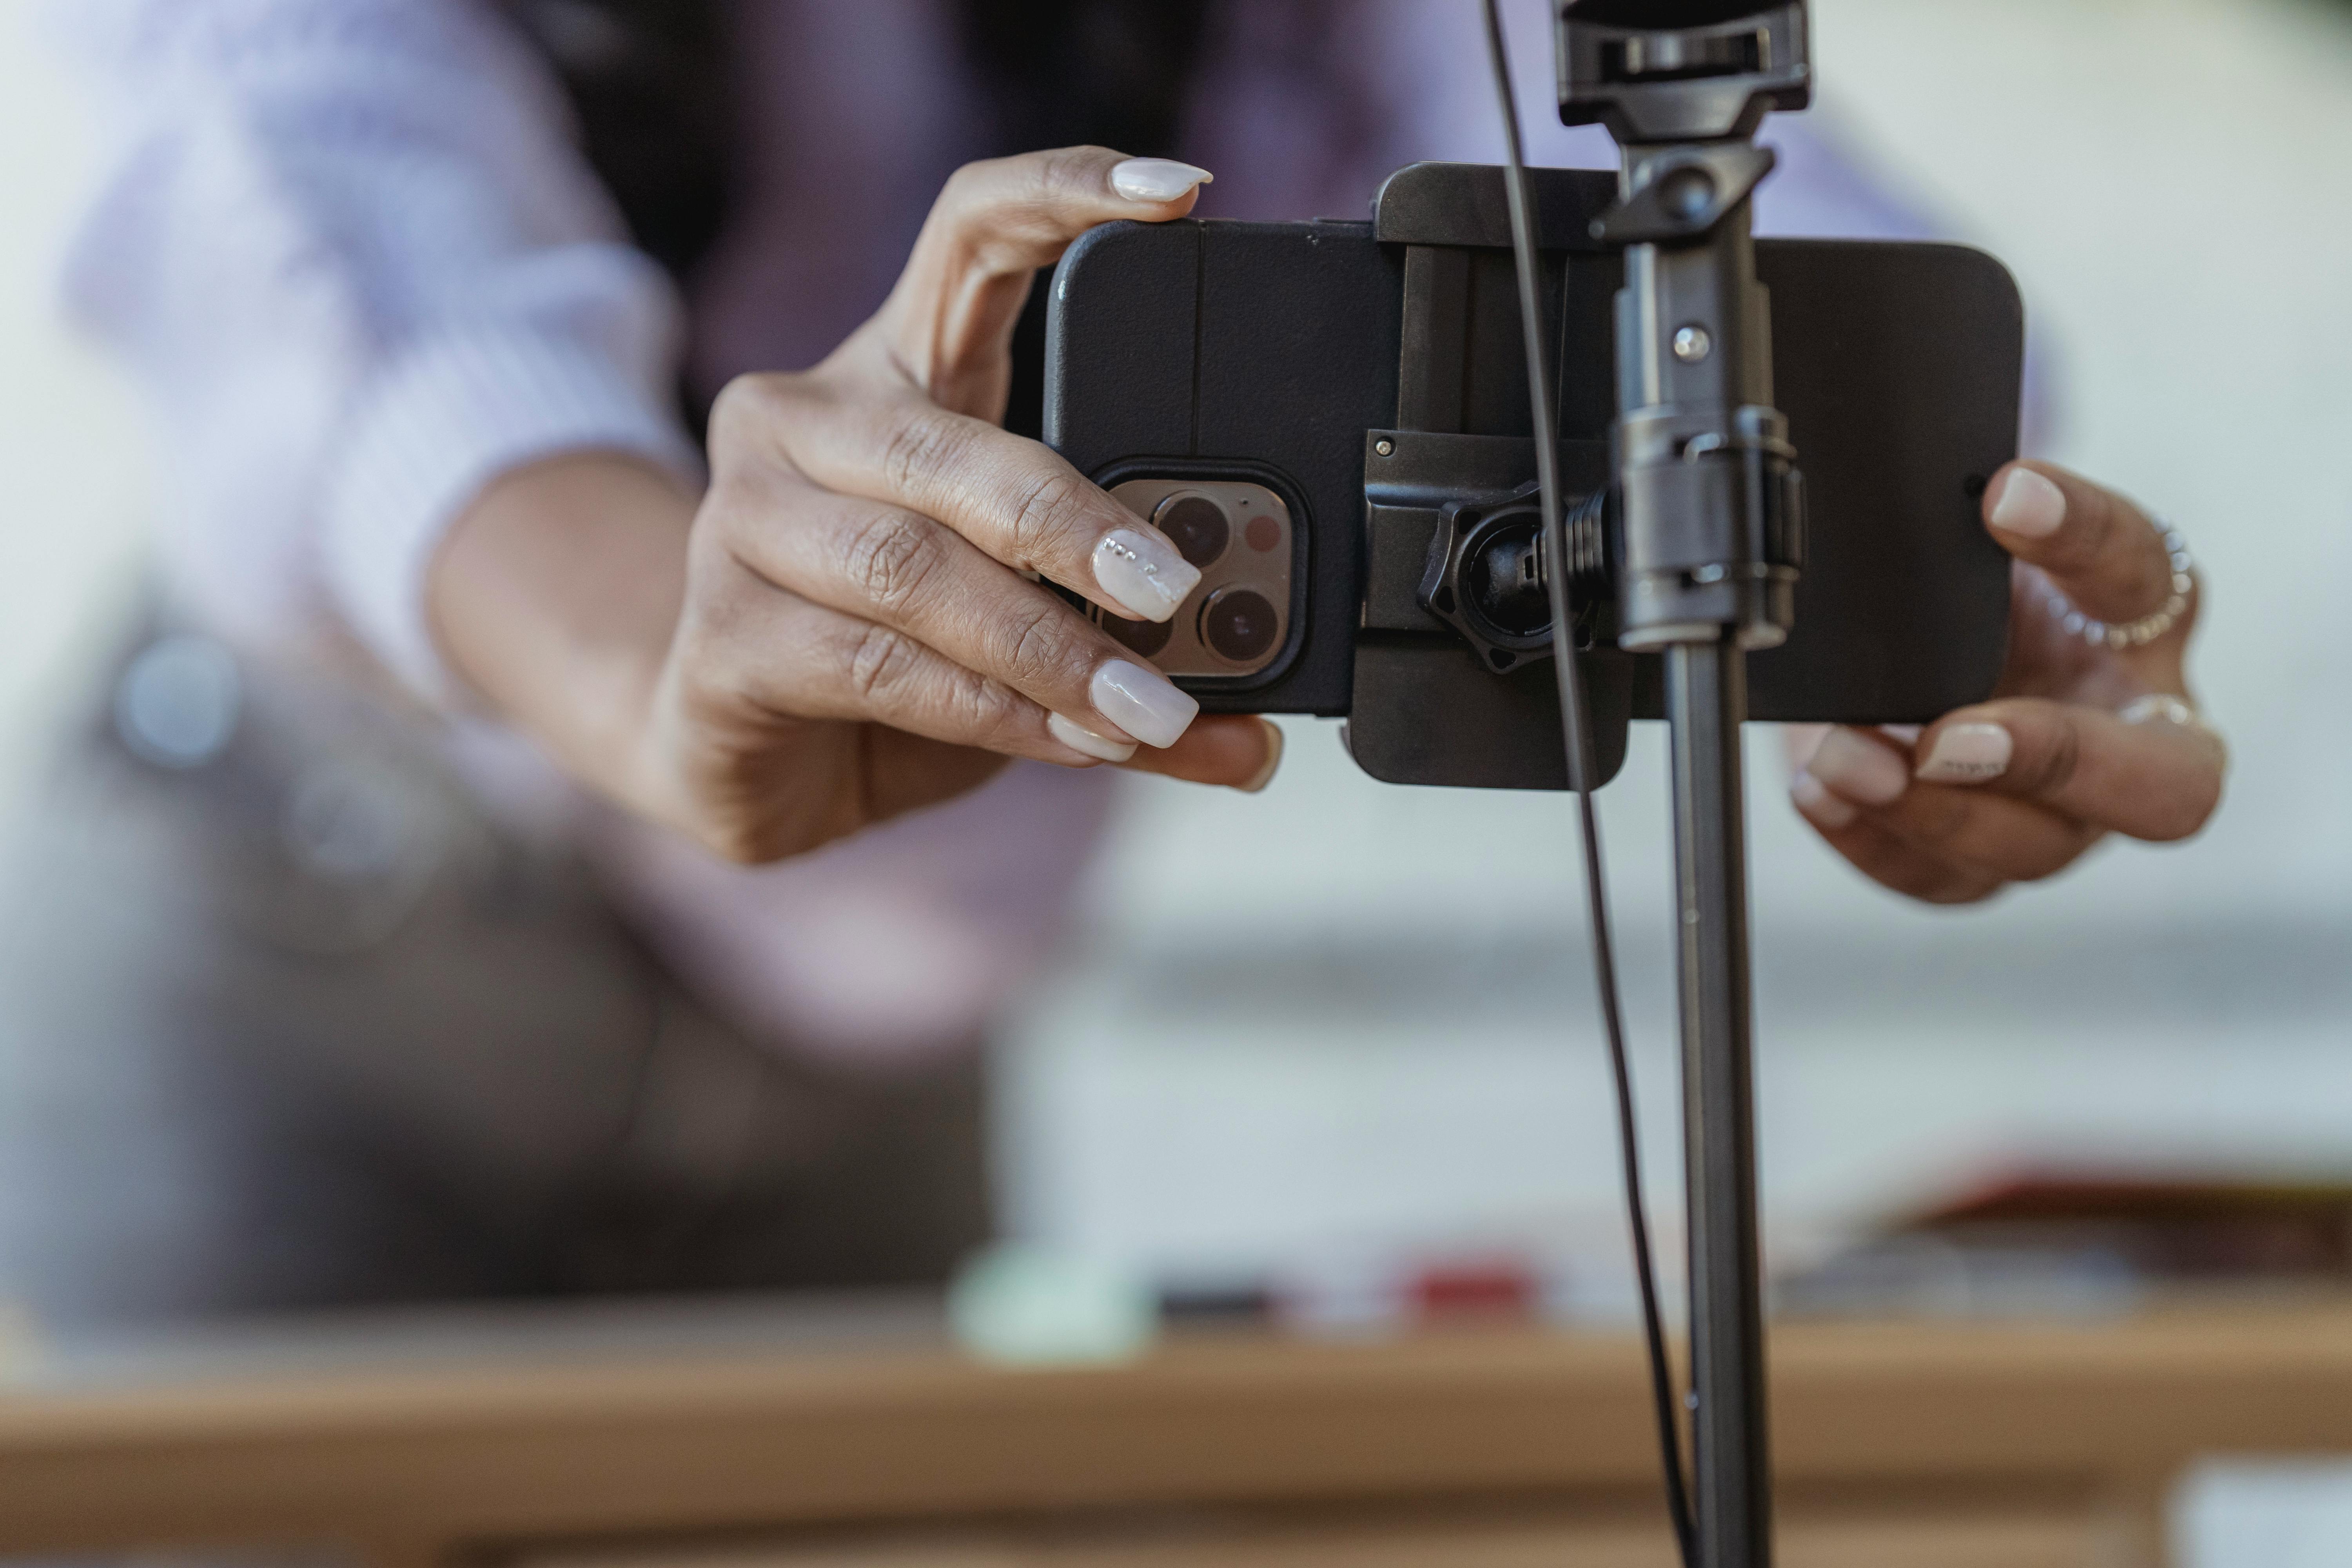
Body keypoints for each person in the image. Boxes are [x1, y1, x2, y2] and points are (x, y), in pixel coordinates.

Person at [0, 0, 2221, 1325]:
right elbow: (308, 216)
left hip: (864, 1068)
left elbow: (1626, 125)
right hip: (293, 985)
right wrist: (658, 669)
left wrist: (1929, 551)